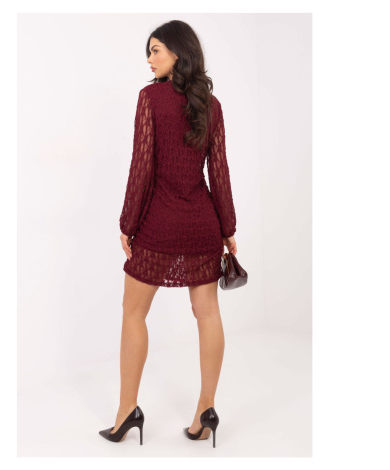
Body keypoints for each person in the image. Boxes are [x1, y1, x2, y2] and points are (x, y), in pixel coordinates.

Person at [99, 20, 237, 448]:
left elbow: (141, 167)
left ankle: (127, 411)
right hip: (201, 224)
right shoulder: (211, 105)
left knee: (133, 313)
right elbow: (219, 172)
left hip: (159, 224)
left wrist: (128, 223)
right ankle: (206, 410)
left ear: (178, 52)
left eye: (156, 50)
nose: (149, 58)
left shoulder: (150, 99)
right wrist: (227, 229)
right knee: (208, 314)